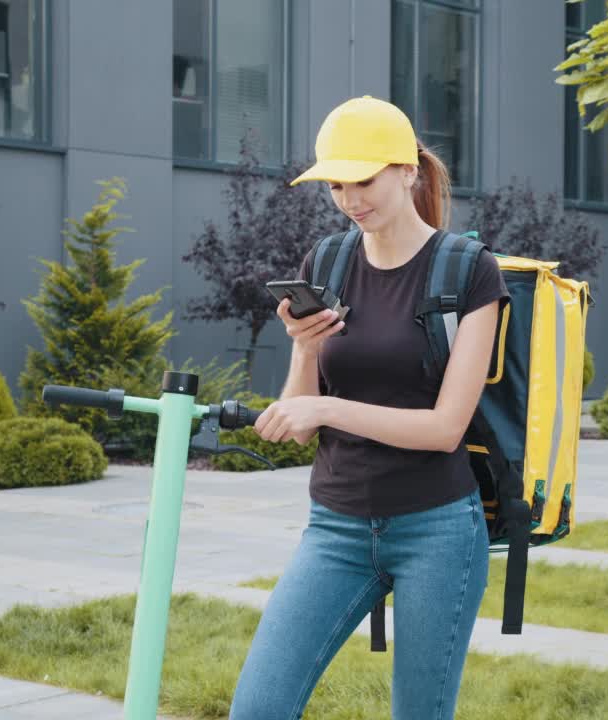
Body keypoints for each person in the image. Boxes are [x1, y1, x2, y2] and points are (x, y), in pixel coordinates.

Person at [228, 96, 509, 720]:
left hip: (436, 529)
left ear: (407, 170)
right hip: (336, 526)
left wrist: (330, 411)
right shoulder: (326, 262)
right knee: (258, 709)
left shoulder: (469, 272)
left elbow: (444, 429)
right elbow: (299, 417)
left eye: (364, 180)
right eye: (336, 184)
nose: (350, 198)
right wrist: (304, 350)